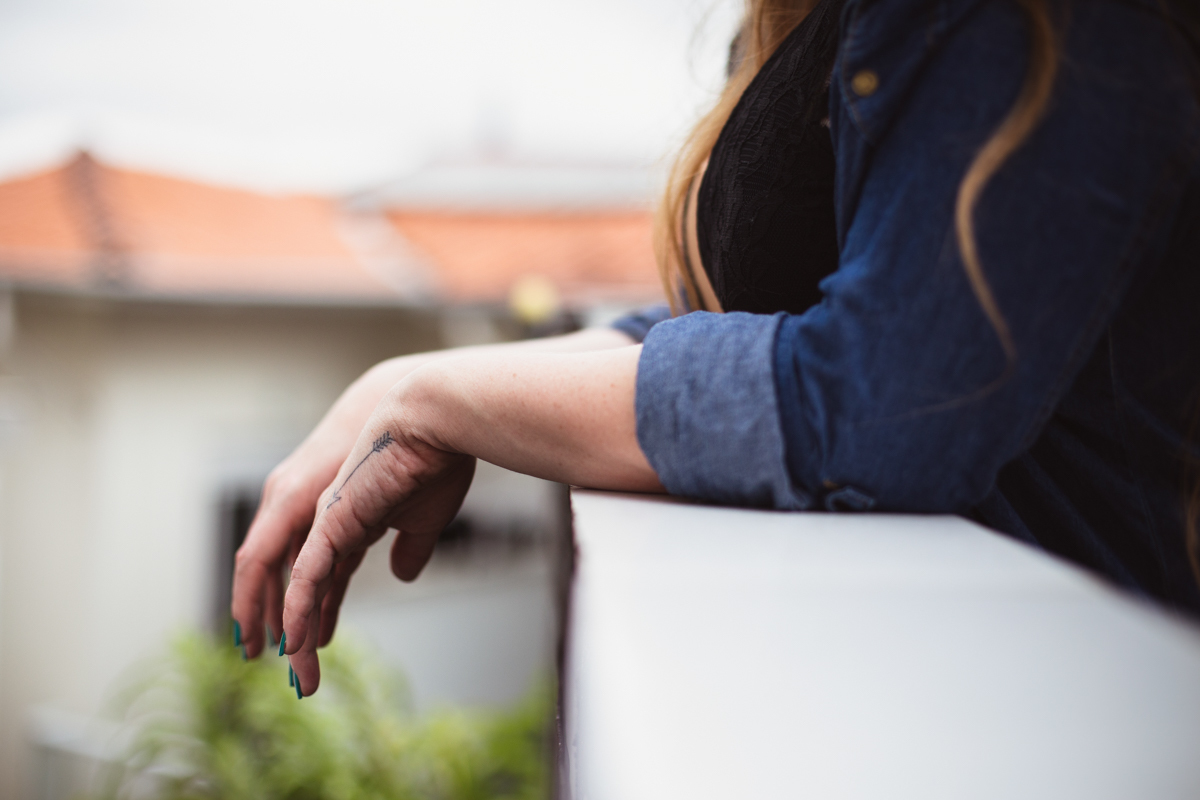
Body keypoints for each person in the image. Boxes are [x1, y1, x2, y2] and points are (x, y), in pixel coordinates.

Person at [232, 0, 1200, 697]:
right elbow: (748, 317)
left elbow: (870, 403)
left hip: (1054, 699)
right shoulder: (796, 21)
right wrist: (409, 382)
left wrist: (446, 400)